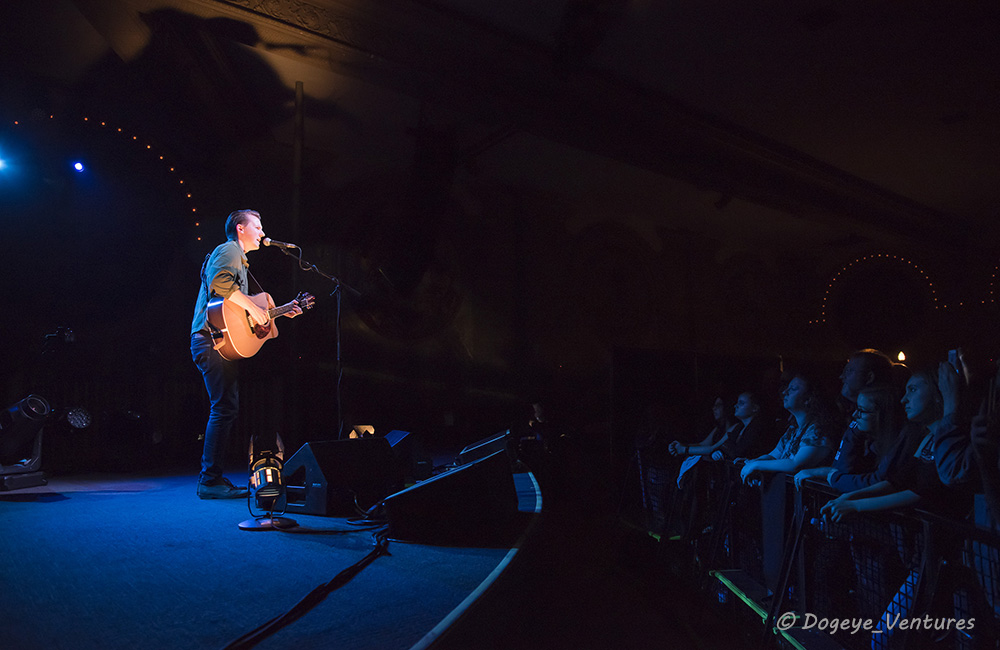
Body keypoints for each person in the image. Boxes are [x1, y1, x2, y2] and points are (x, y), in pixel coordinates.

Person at [190, 209, 302, 499]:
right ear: (240, 228)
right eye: (258, 226)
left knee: (226, 408)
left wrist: (277, 312)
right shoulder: (228, 250)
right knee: (224, 408)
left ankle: (211, 478)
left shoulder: (240, 260)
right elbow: (220, 284)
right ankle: (209, 481)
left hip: (220, 341)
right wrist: (255, 308)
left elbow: (239, 312)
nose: (263, 232)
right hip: (210, 339)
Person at [792, 383, 900, 492]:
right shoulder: (861, 434)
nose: (855, 415)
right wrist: (853, 432)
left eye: (862, 410)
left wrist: (834, 477)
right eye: (856, 408)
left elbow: (877, 482)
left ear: (882, 415)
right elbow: (842, 469)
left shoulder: (898, 445)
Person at [740, 371, 838, 485]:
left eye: (793, 389)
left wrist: (756, 465)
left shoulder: (819, 430)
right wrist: (752, 462)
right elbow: (774, 455)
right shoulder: (793, 429)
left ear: (809, 398)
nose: (785, 392)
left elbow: (795, 464)